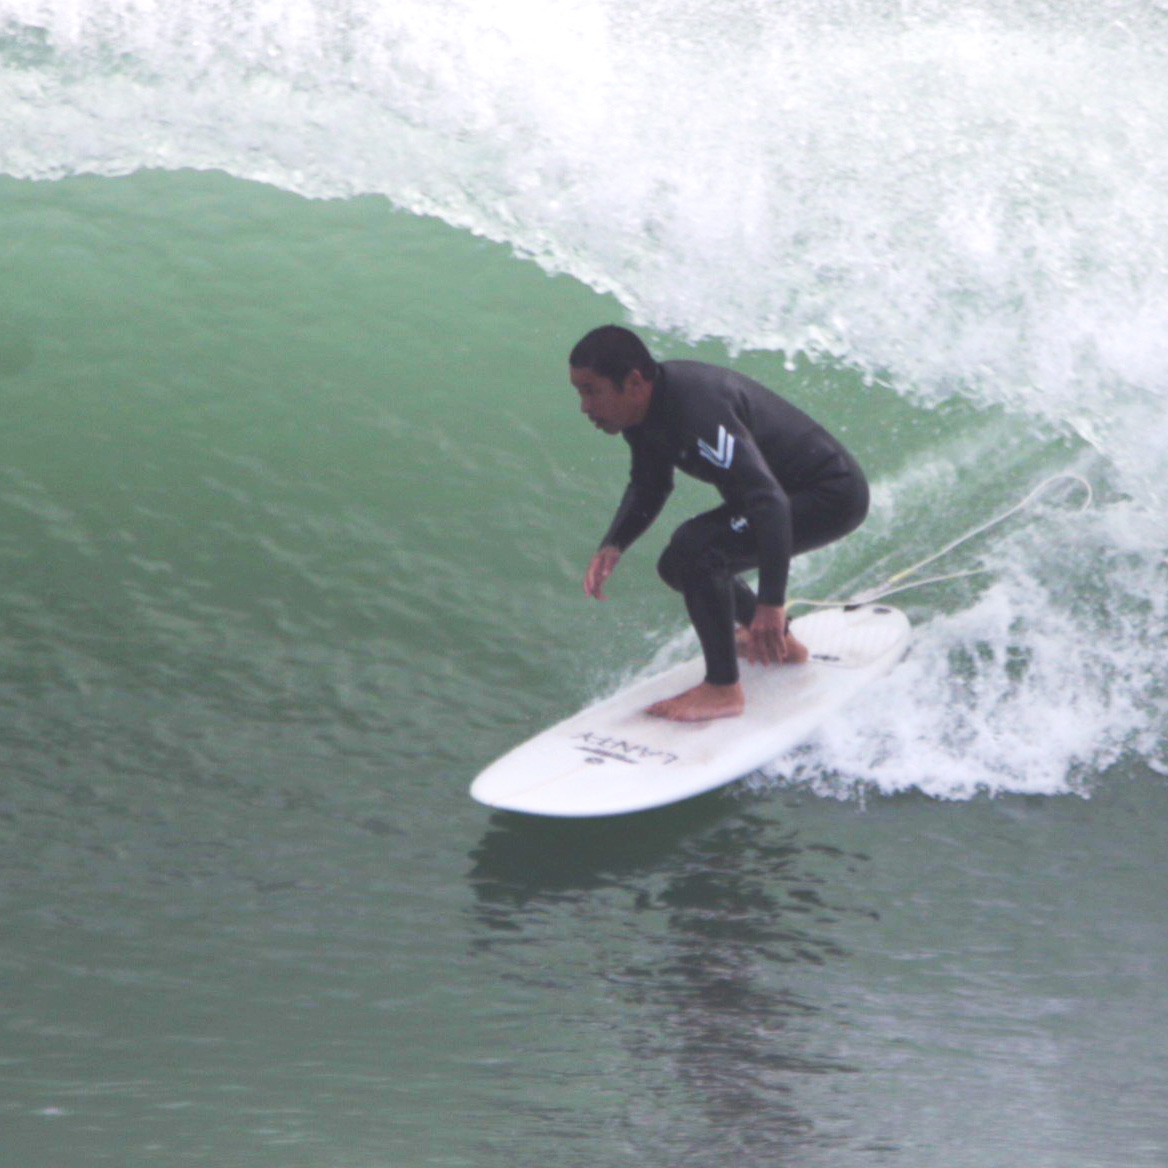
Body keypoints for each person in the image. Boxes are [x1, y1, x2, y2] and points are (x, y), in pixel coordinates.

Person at [572, 325, 869, 722]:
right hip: (780, 497)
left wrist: (771, 603)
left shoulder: (697, 412)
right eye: (580, 392)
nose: (585, 407)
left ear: (634, 382)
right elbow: (650, 484)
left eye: (592, 391)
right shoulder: (643, 414)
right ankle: (784, 647)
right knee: (678, 564)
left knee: (696, 548)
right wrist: (614, 543)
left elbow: (770, 501)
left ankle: (724, 689)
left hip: (829, 495)